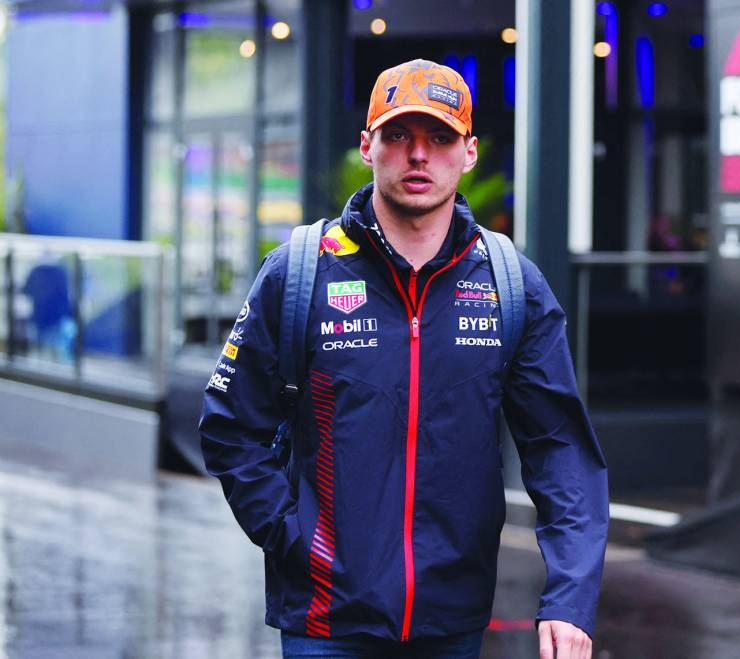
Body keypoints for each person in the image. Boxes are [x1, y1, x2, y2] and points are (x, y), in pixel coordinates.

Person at [200, 59, 609, 659]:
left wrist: (571, 597)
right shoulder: (301, 273)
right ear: (368, 145)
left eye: (440, 137)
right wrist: (295, 539)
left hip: (453, 623)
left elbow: (561, 450)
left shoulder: (509, 285)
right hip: (325, 626)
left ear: (468, 151)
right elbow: (230, 426)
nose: (419, 155)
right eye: (399, 135)